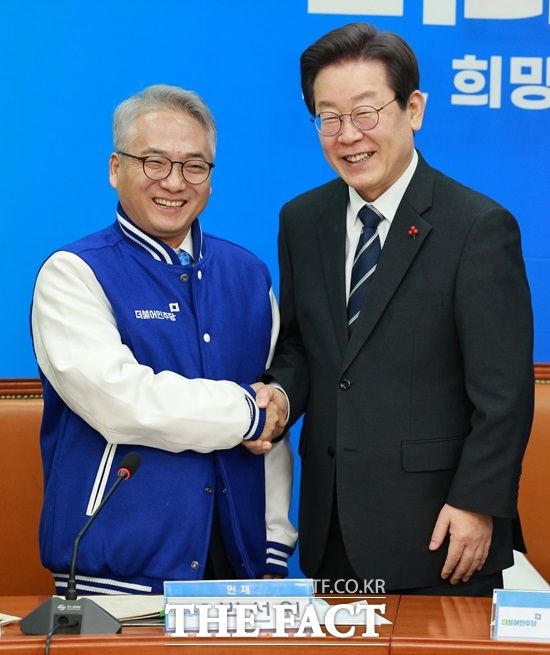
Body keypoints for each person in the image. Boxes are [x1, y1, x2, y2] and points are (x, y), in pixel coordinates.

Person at [256, 22, 534, 596]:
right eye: (328, 117)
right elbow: (305, 346)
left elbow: (504, 392)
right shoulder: (301, 220)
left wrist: (478, 502)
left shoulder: (477, 227)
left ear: (414, 109)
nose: (347, 135)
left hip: (443, 532)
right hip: (333, 524)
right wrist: (279, 396)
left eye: (365, 113)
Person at [31, 84, 296, 596]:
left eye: (194, 166)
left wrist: (273, 543)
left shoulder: (248, 275)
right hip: (116, 574)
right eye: (154, 162)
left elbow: (272, 420)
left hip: (238, 569)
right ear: (115, 168)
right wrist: (247, 413)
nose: (174, 182)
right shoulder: (73, 273)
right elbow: (124, 403)